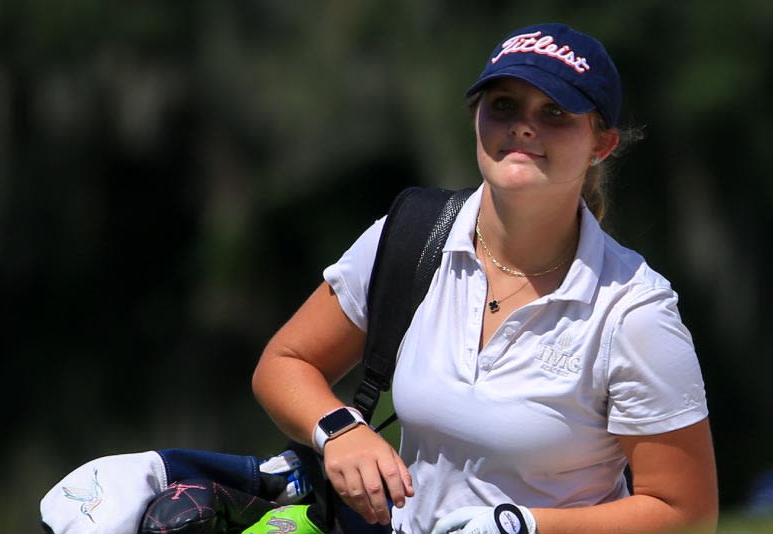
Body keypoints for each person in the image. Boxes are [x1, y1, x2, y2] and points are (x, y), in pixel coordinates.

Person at [251, 22, 716, 534]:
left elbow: (686, 513)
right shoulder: (411, 235)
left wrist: (522, 527)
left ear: (600, 145)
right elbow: (285, 362)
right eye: (503, 105)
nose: (522, 126)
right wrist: (336, 428)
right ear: (476, 118)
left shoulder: (632, 310)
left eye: (554, 113)